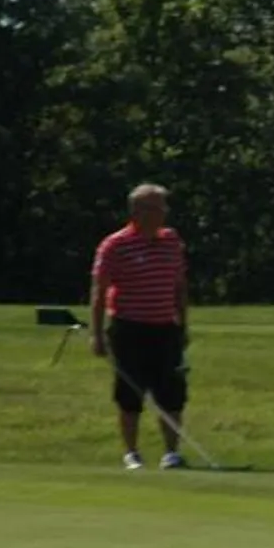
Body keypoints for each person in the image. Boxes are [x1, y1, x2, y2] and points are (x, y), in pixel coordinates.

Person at [91, 183, 190, 470]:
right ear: (138, 211)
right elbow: (99, 292)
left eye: (164, 207)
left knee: (171, 393)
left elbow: (179, 287)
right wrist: (97, 335)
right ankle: (132, 453)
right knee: (129, 394)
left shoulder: (171, 241)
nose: (164, 213)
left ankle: (171, 453)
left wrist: (183, 326)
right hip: (129, 329)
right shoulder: (115, 245)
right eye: (159, 207)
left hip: (165, 328)